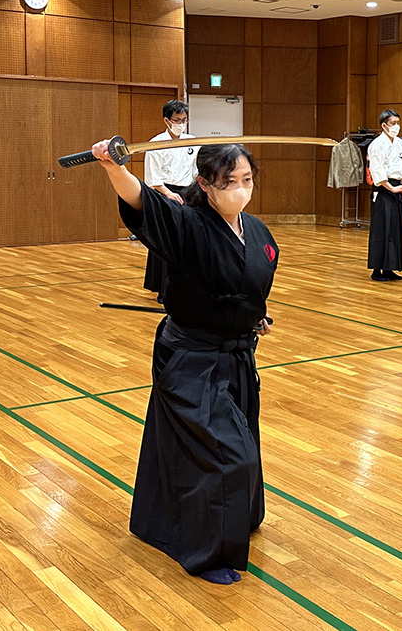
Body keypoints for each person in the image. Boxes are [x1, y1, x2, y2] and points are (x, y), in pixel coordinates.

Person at [89, 136, 276, 585]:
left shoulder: (259, 232)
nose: (241, 189)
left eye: (247, 180)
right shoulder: (187, 223)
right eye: (230, 181)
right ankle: (207, 550)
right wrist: (113, 166)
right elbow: (140, 200)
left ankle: (220, 521)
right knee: (229, 456)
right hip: (191, 359)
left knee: (237, 443)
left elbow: (246, 285)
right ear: (206, 184)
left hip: (236, 357)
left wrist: (254, 316)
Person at [142, 100, 199, 303]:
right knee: (165, 240)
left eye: (184, 120)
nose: (181, 123)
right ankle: (163, 289)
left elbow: (195, 171)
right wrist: (168, 194)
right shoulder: (156, 143)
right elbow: (152, 178)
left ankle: (185, 287)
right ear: (167, 120)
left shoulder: (192, 141)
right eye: (177, 120)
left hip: (187, 192)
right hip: (164, 193)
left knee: (186, 241)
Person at [367, 109, 402, 282]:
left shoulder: (400, 143)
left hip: (398, 187)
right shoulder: (377, 145)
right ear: (384, 125)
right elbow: (377, 170)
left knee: (395, 230)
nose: (396, 126)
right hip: (384, 190)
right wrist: (391, 188)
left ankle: (389, 268)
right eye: (393, 123)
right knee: (383, 229)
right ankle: (377, 270)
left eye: (398, 123)